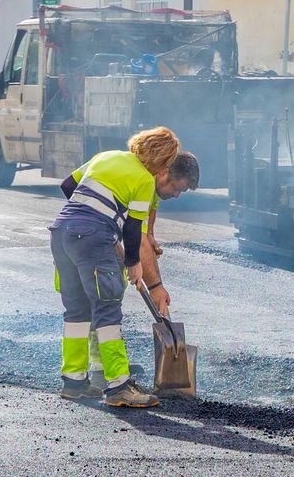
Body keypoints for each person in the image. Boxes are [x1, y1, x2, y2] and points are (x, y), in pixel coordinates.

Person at [50, 127, 199, 406]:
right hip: (92, 239)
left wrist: (94, 221)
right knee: (107, 310)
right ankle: (119, 387)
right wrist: (132, 264)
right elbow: (133, 229)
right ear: (164, 161)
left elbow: (67, 186)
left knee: (77, 312)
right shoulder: (143, 178)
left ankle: (74, 382)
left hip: (61, 234)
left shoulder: (106, 157)